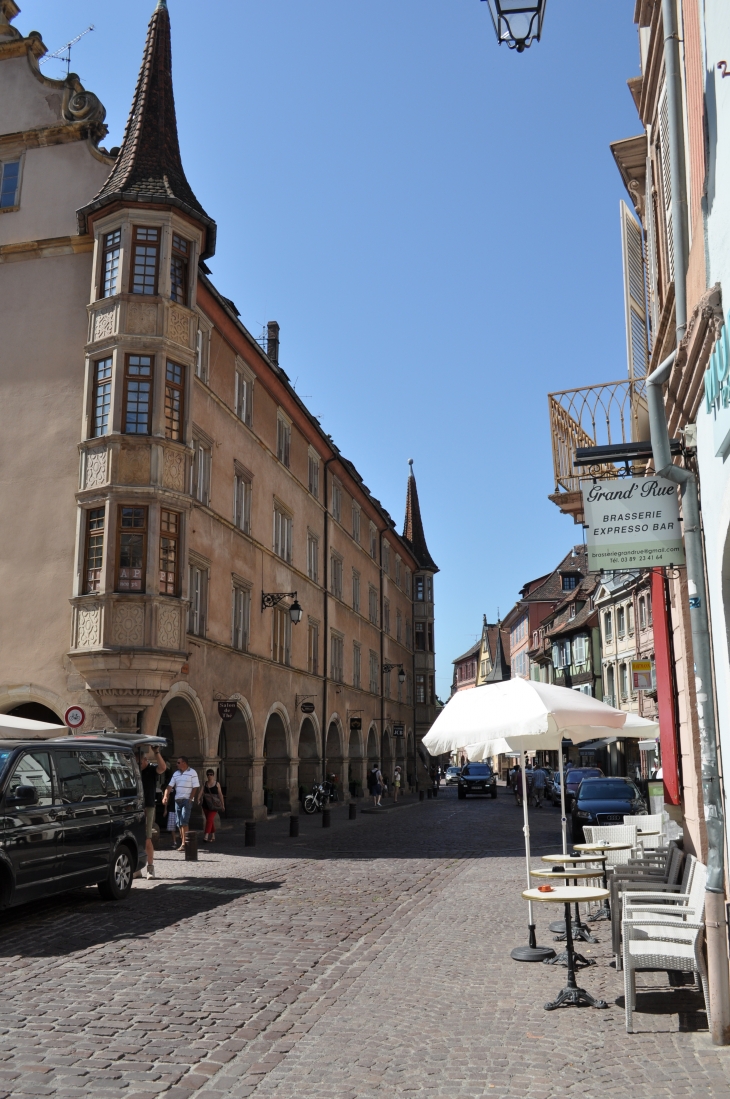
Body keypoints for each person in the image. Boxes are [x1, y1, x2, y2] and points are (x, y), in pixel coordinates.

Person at [136, 744, 167, 878]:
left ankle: (150, 868)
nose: (137, 764)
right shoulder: (134, 771)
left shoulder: (151, 770)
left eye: (139, 762)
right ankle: (137, 869)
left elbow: (163, 768)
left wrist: (156, 752)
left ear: (145, 761)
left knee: (147, 838)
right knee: (136, 838)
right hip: (135, 807)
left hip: (148, 807)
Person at [163, 755, 200, 851]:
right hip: (177, 800)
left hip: (186, 800)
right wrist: (165, 796)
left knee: (184, 821)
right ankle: (183, 841)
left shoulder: (192, 772)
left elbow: (195, 786)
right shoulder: (176, 774)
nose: (176, 764)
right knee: (179, 823)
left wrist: (191, 798)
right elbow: (169, 786)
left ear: (184, 763)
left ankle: (185, 843)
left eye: (178, 762)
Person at [202, 769, 225, 842]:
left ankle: (206, 835)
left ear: (213, 775)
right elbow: (201, 792)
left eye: (211, 774)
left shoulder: (217, 784)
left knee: (209, 819)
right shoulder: (205, 784)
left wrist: (222, 805)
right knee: (210, 821)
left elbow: (220, 794)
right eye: (208, 774)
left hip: (215, 805)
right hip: (206, 805)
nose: (209, 776)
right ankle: (213, 835)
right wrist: (198, 798)